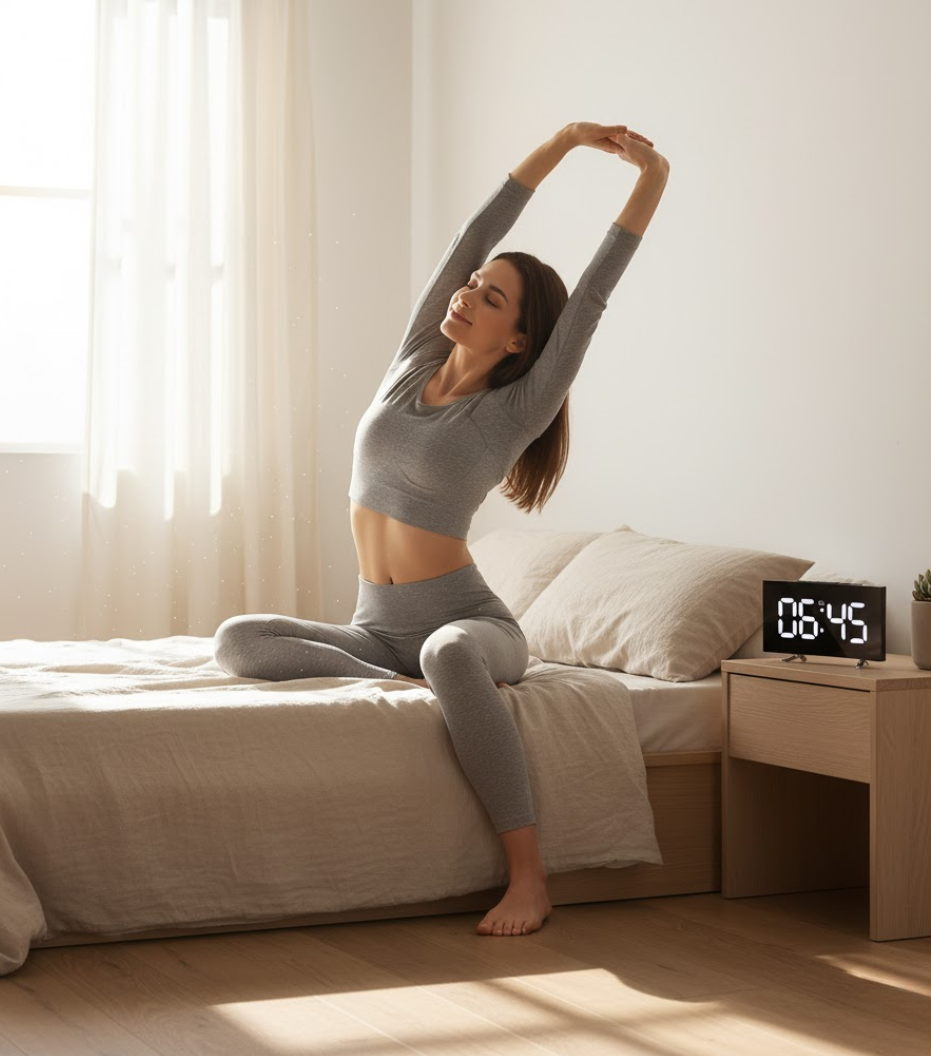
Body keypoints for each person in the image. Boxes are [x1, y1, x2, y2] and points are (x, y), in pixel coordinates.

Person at [214, 121, 670, 936]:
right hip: (376, 632)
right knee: (237, 639)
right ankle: (419, 690)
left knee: (450, 653)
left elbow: (594, 292)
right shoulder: (415, 359)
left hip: (467, 623)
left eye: (490, 298)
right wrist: (562, 143)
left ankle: (527, 875)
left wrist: (651, 178)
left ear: (520, 339)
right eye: (471, 286)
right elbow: (475, 234)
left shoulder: (515, 411)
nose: (467, 294)